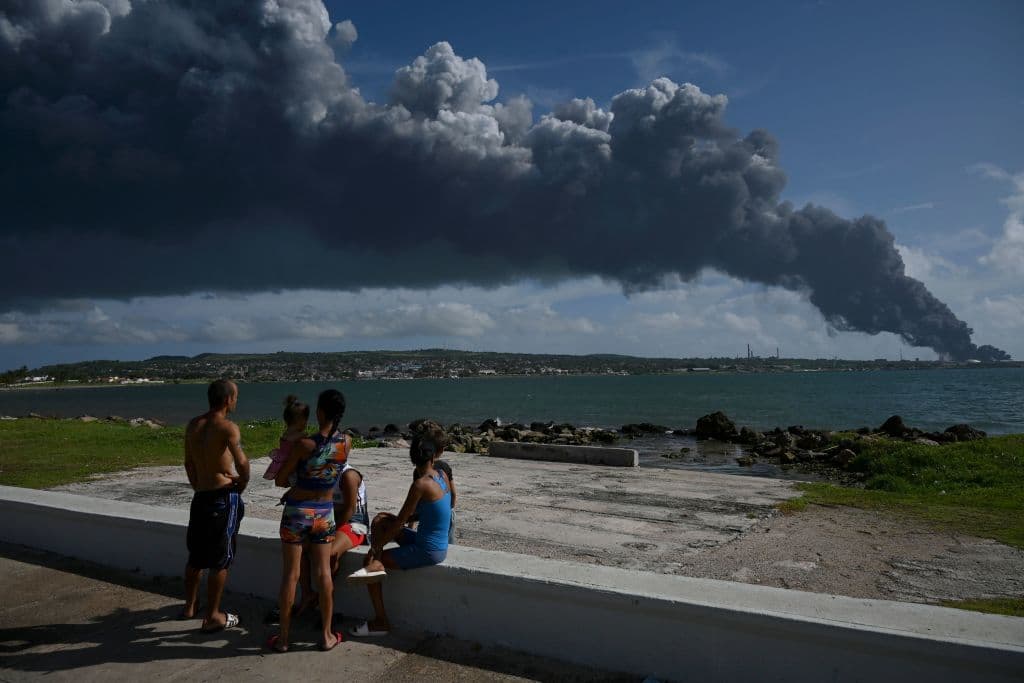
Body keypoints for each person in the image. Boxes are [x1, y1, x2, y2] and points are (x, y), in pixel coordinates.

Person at [267, 389, 351, 653]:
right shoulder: (347, 443)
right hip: (324, 513)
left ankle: (283, 639)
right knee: (324, 573)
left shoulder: (305, 445)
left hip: (298, 512)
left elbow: (280, 479)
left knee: (291, 575)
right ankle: (326, 636)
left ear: (320, 412)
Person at [346, 426, 452, 637]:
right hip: (436, 543)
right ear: (433, 456)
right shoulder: (441, 475)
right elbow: (431, 512)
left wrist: (377, 545)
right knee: (381, 519)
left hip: (428, 550)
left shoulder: (420, 485)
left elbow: (400, 523)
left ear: (413, 458)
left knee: (368, 563)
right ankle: (376, 557)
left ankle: (381, 621)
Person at [182, 379, 249, 632]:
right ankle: (213, 616)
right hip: (222, 496)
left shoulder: (193, 425)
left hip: (200, 496)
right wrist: (242, 483)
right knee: (221, 558)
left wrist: (198, 485)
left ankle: (190, 606)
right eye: (236, 397)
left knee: (196, 556)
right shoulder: (227, 427)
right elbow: (241, 462)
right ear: (227, 400)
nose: (236, 401)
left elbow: (188, 463)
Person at [263, 395, 309, 483]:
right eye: (305, 419)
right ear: (300, 420)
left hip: (284, 462)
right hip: (291, 463)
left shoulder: (286, 432)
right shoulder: (299, 435)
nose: (306, 423)